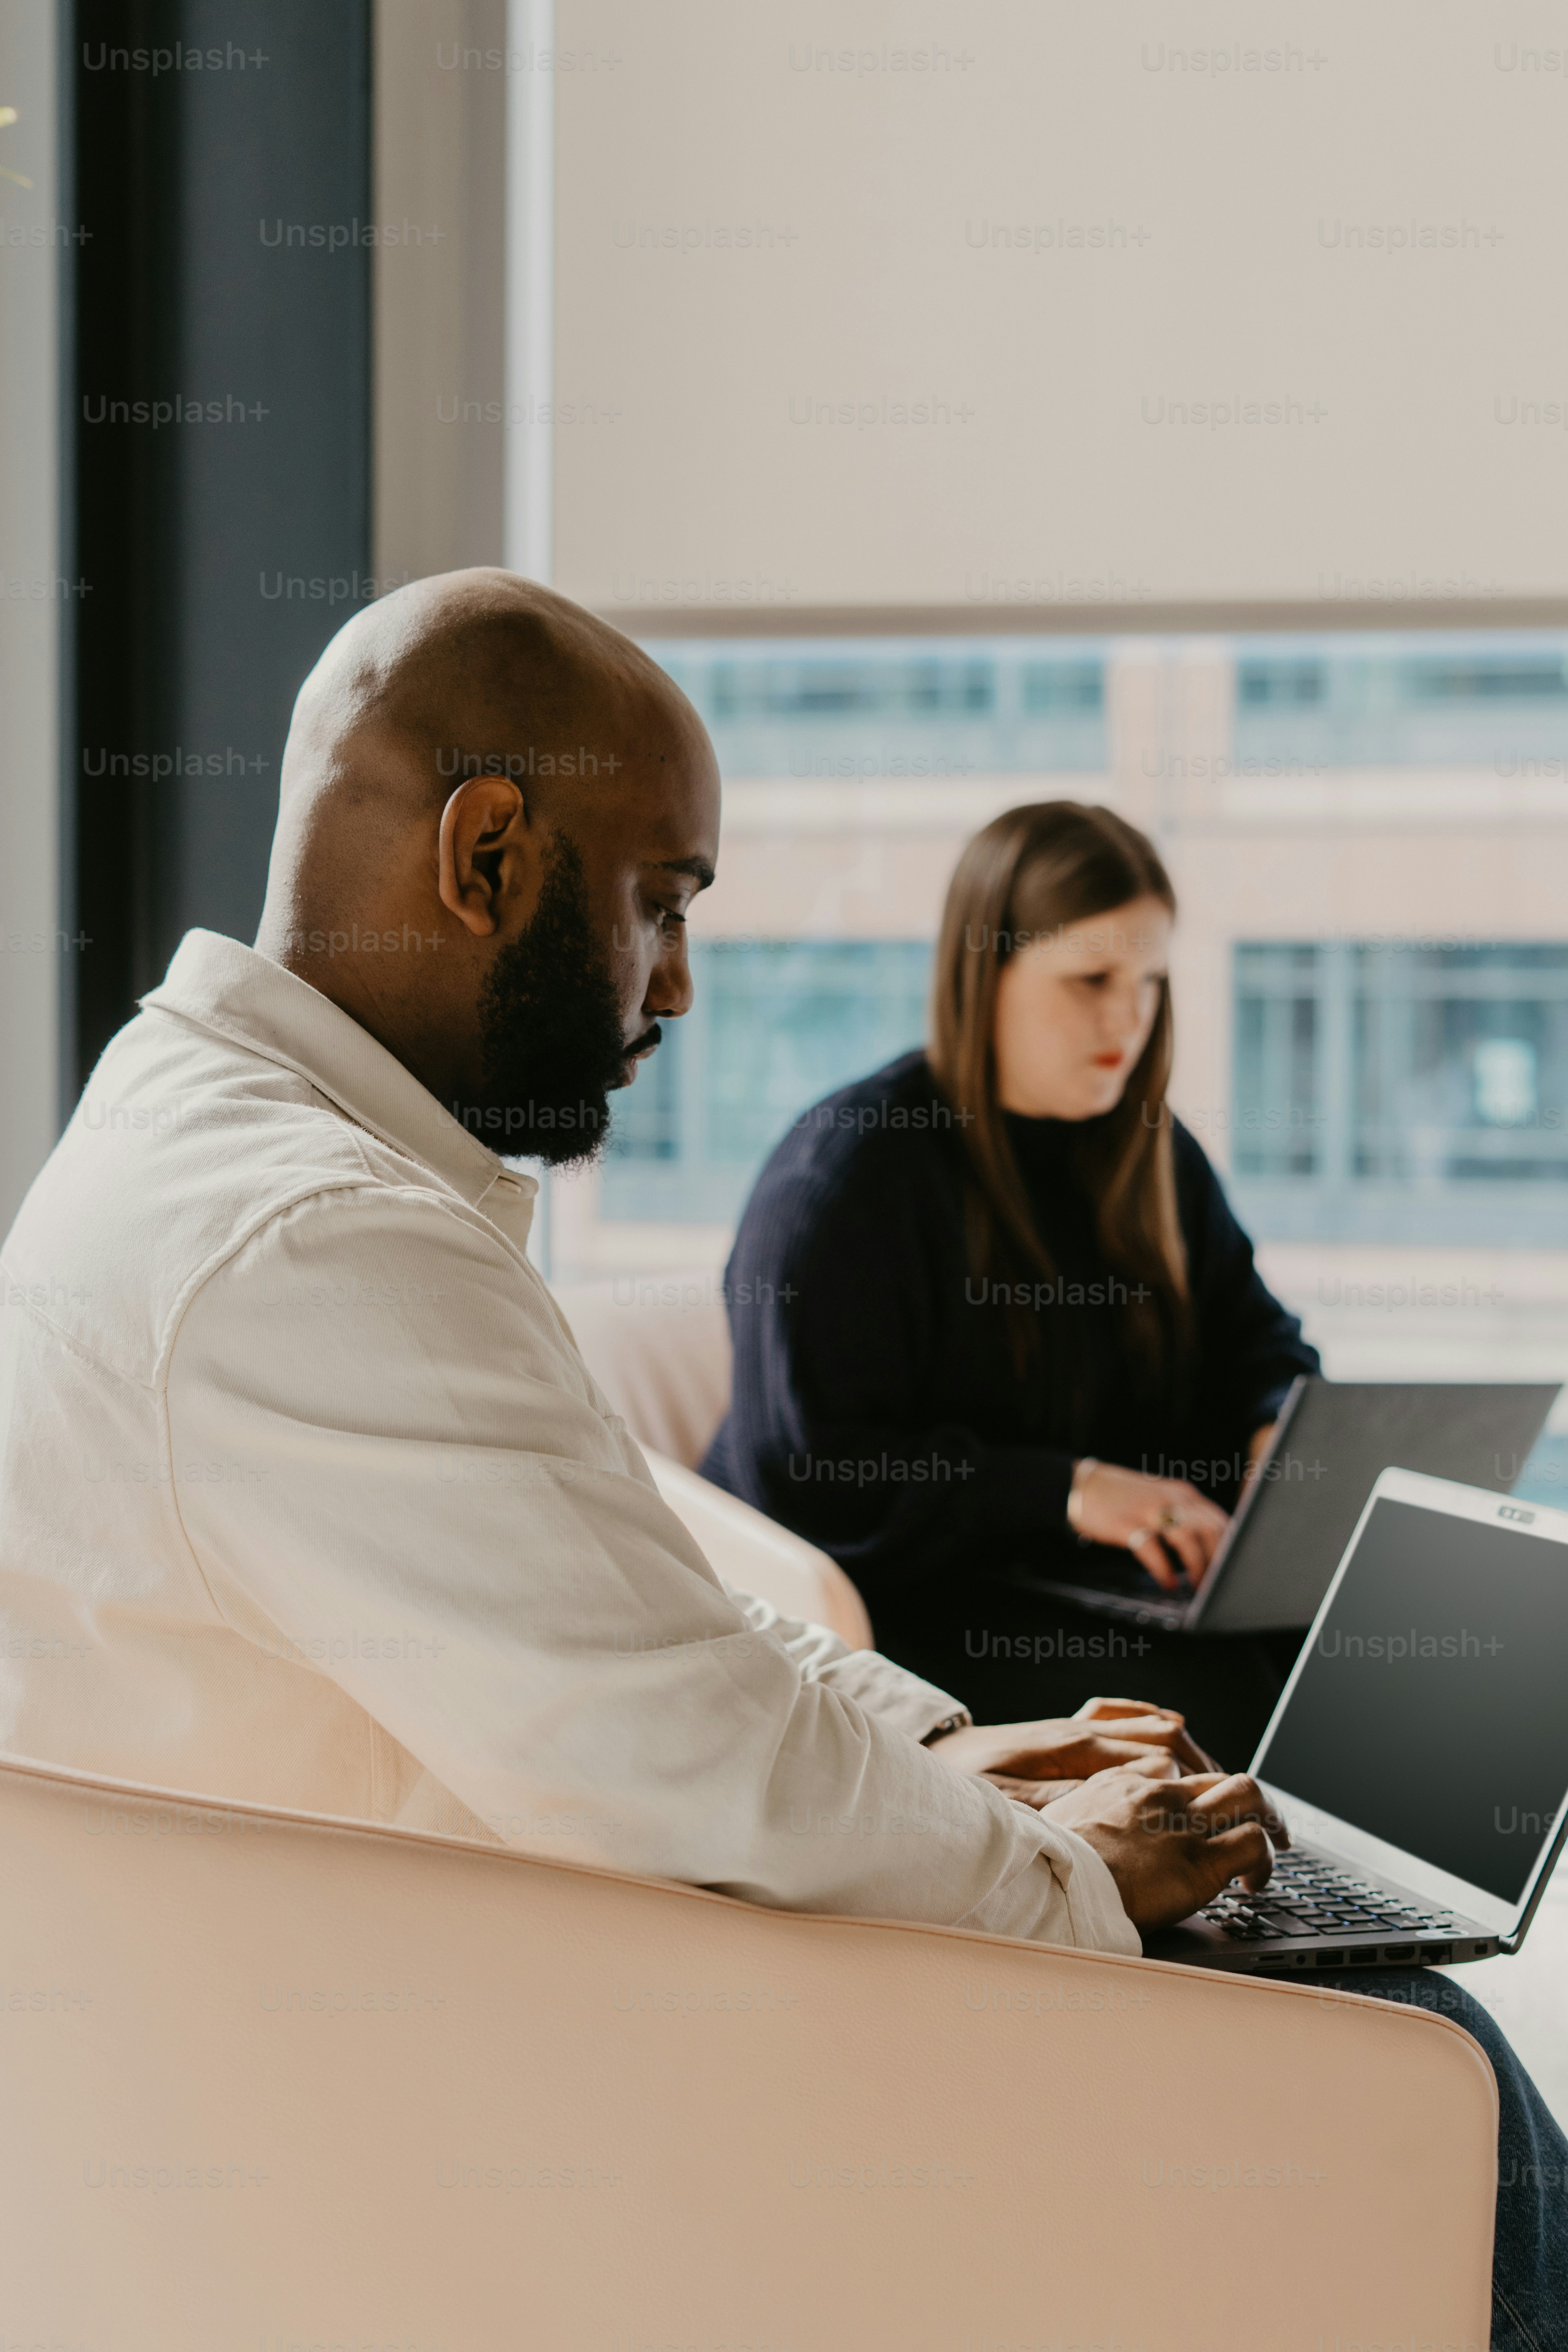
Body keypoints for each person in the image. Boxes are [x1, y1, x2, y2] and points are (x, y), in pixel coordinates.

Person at [0, 578, 1562, 2343]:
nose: (678, 981)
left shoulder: (225, 1151)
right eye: (660, 902)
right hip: (502, 2079)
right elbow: (691, 1752)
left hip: (451, 1992)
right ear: (489, 852)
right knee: (1422, 2045)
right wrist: (1061, 1864)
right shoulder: (313, 1243)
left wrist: (962, 1746)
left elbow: (656, 1632)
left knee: (1349, 1957)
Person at [703, 801, 1322, 1767]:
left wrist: (1272, 1426)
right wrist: (1066, 1491)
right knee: (1226, 1704)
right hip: (906, 1608)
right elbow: (815, 1470)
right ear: (986, 975)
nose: (1130, 1018)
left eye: (1151, 981)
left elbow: (1255, 1339)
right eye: (1091, 980)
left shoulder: (1152, 1151)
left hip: (1084, 1585)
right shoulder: (852, 1174)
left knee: (1349, 1655)